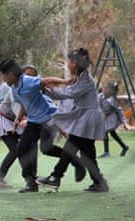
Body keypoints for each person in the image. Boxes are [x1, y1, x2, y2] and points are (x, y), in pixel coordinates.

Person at [0, 59, 85, 193]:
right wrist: (18, 118)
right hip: (33, 121)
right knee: (21, 148)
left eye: (3, 75)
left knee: (46, 148)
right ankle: (31, 182)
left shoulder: (27, 81)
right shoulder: (14, 89)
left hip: (47, 118)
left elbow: (47, 80)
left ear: (10, 74)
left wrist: (65, 82)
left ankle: (73, 159)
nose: (3, 79)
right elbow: (23, 104)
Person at [36, 48, 109, 192]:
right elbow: (66, 93)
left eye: (69, 61)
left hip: (88, 118)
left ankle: (55, 177)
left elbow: (68, 93)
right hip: (85, 116)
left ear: (75, 63)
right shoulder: (82, 78)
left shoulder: (86, 79)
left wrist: (49, 89)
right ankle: (99, 182)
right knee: (87, 153)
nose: (68, 64)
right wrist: (49, 91)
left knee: (70, 147)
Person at [0, 66, 38, 188]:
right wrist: (26, 120)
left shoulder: (34, 90)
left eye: (32, 76)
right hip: (5, 120)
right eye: (26, 75)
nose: (29, 78)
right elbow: (17, 109)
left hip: (20, 122)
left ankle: (32, 177)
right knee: (15, 150)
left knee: (32, 145)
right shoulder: (15, 89)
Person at [98, 82, 130, 157]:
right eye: (103, 87)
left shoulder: (112, 100)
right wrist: (102, 113)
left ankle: (106, 152)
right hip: (105, 116)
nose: (103, 89)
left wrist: (125, 123)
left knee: (105, 131)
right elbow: (97, 104)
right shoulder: (100, 96)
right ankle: (124, 147)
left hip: (112, 118)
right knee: (112, 134)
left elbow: (120, 111)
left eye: (105, 88)